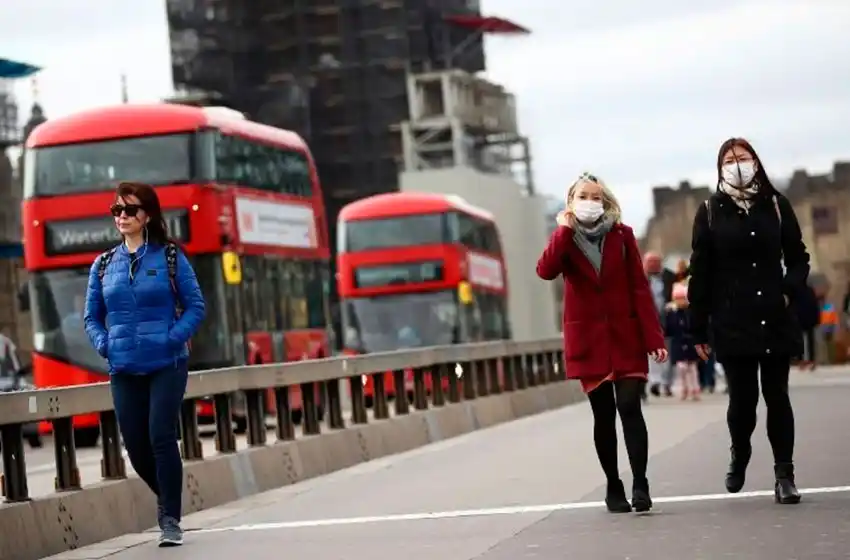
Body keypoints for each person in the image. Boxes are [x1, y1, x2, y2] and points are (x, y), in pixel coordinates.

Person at [536, 172, 667, 514]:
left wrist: (653, 337)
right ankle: (613, 483)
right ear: (571, 202)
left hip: (625, 336)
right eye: (583, 196)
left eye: (596, 197)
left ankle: (640, 482)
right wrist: (564, 229)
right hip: (589, 340)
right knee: (603, 415)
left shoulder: (622, 236)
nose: (590, 202)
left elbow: (639, 288)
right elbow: (545, 270)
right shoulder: (563, 239)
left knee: (630, 407)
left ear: (605, 202)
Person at [688, 137, 809, 505]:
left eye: (743, 157)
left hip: (773, 314)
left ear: (755, 162)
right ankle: (739, 452)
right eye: (730, 158)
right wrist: (699, 326)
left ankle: (784, 473)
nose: (737, 163)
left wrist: (788, 291)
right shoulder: (710, 211)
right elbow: (701, 272)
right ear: (719, 166)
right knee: (743, 401)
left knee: (778, 397)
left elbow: (798, 256)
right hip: (732, 319)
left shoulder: (775, 205)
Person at [84, 182, 206, 545]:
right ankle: (169, 497)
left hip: (167, 364)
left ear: (147, 215)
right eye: (116, 210)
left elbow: (196, 306)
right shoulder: (104, 265)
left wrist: (171, 337)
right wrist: (105, 345)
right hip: (123, 367)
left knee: (160, 435)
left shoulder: (169, 257)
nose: (122, 217)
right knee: (135, 445)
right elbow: (91, 317)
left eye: (130, 210)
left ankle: (170, 518)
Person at [643, 252, 676, 397]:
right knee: (652, 354)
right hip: (649, 321)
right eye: (650, 262)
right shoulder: (640, 277)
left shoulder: (670, 277)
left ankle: (667, 383)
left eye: (655, 262)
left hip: (668, 320)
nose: (653, 265)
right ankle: (655, 382)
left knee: (669, 354)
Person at [664, 283, 700, 401]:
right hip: (678, 343)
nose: (681, 302)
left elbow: (694, 326)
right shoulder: (672, 314)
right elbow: (668, 329)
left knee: (692, 368)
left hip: (690, 343)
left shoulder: (690, 312)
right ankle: (684, 388)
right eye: (678, 299)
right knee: (681, 368)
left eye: (683, 299)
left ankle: (695, 388)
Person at [793, 281, 820, 370]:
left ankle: (805, 361)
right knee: (806, 341)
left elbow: (814, 305)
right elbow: (815, 305)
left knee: (804, 341)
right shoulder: (808, 291)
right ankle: (806, 360)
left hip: (803, 319)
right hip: (805, 319)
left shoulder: (800, 291)